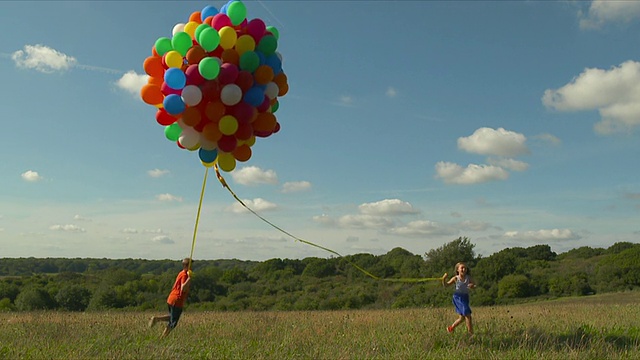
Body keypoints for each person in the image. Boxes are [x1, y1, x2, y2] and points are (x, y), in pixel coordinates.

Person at [148, 257, 192, 338]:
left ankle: (156, 319)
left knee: (172, 317)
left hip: (171, 298)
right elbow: (183, 288)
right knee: (173, 322)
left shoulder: (181, 273)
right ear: (187, 265)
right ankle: (162, 338)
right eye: (191, 264)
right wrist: (189, 278)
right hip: (177, 300)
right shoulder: (185, 275)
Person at [442, 262, 476, 336]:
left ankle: (451, 328)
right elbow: (446, 285)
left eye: (465, 268)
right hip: (458, 298)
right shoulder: (455, 278)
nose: (464, 269)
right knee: (468, 314)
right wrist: (444, 279)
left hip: (465, 297)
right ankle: (471, 334)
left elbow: (474, 285)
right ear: (458, 270)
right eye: (462, 268)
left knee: (462, 318)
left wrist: (472, 286)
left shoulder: (468, 278)